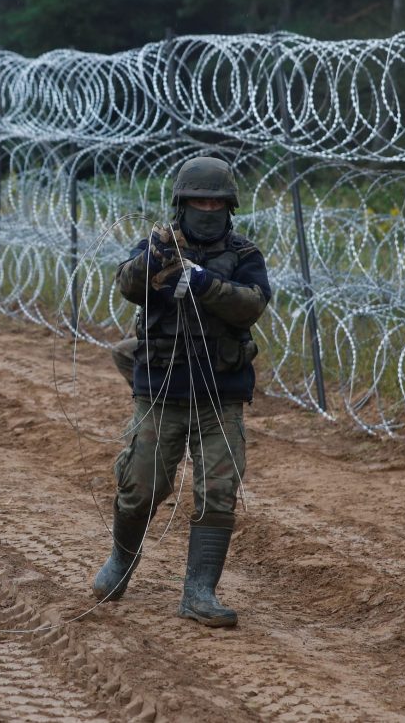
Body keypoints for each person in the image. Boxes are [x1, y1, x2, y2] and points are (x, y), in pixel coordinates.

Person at [92, 156, 272, 628]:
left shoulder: (246, 255)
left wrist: (205, 282)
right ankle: (120, 562)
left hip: (220, 393)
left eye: (215, 201)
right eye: (198, 201)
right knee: (141, 486)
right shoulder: (158, 246)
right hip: (160, 392)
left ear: (229, 206)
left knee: (219, 491)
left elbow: (251, 305)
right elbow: (128, 285)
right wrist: (156, 260)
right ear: (182, 204)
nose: (207, 208)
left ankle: (199, 593)